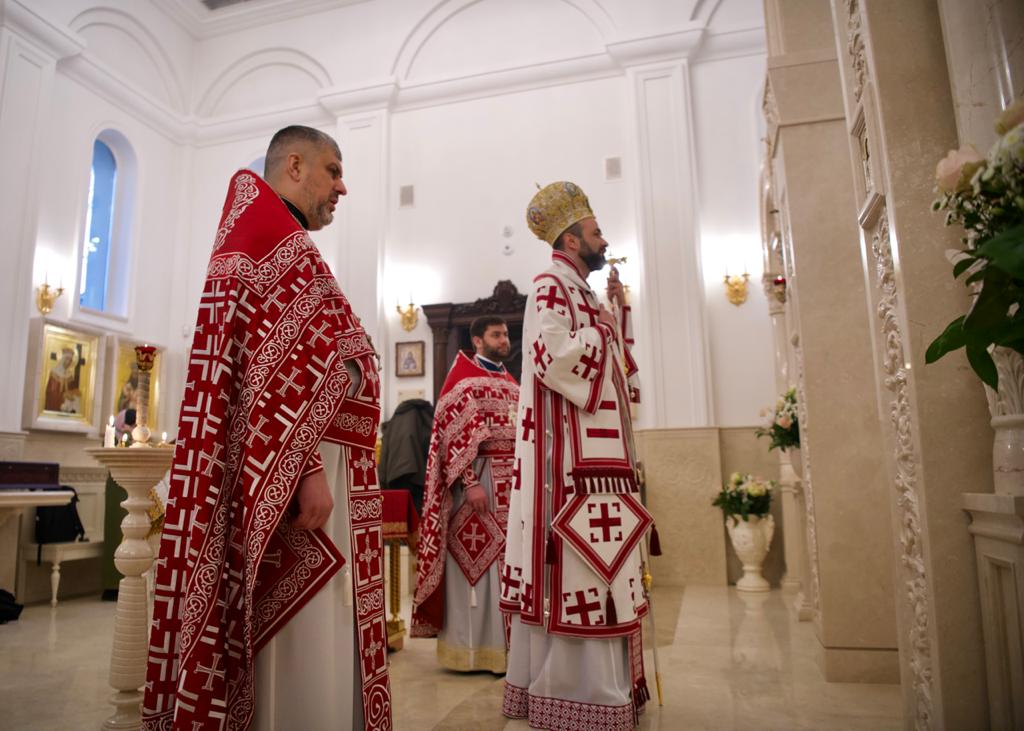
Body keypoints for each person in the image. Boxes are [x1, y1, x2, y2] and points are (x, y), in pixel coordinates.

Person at [143, 126, 392, 730]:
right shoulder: (265, 236)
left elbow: (293, 365)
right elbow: (270, 379)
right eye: (334, 171)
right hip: (295, 483)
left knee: (322, 639)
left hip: (313, 469)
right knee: (300, 649)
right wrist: (306, 470)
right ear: (295, 165)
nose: (342, 187)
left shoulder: (277, 236)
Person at [501, 181, 653, 729]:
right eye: (595, 231)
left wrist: (616, 316)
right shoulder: (549, 286)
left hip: (600, 462)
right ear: (570, 240)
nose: (603, 238)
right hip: (566, 466)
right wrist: (604, 335)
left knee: (606, 567)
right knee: (579, 570)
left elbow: (617, 369)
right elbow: (552, 358)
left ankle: (610, 686)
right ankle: (574, 691)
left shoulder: (583, 292)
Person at [412, 316, 520, 673]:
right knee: (477, 564)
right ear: (477, 340)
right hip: (480, 484)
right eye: (496, 334)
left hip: (513, 485)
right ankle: (473, 651)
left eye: (505, 334)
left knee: (508, 565)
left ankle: (511, 651)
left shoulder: (511, 381)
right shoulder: (462, 379)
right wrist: (470, 482)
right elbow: (450, 438)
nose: (503, 340)